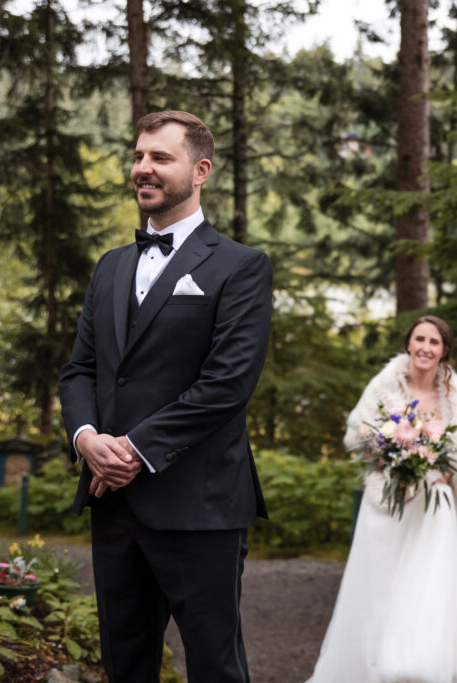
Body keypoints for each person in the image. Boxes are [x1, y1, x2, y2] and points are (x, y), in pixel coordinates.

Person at [58, 110, 272, 682]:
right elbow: (79, 370)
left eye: (159, 157)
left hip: (199, 506)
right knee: (124, 667)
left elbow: (226, 385)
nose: (142, 168)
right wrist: (86, 439)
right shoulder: (110, 268)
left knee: (215, 669)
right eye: (137, 156)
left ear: (199, 170)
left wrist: (130, 451)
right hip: (114, 505)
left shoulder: (241, 267)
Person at [307, 315, 457, 683]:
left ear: (445, 351)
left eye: (434, 342)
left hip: (437, 508)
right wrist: (389, 457)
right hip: (389, 505)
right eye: (420, 339)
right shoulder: (385, 385)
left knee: (430, 588)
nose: (426, 348)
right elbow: (356, 436)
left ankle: (424, 666)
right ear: (408, 344)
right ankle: (371, 669)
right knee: (380, 586)